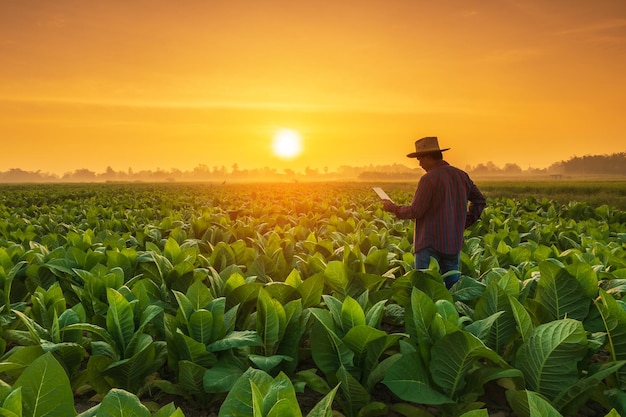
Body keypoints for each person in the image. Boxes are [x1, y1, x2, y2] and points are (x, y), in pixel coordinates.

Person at [382, 136, 486, 289]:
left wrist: (392, 207)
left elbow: (415, 210)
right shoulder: (461, 175)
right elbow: (480, 201)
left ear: (428, 156)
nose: (419, 163)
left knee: (424, 289)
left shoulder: (428, 179)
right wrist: (463, 223)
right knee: (454, 290)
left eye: (420, 158)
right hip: (452, 242)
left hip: (429, 243)